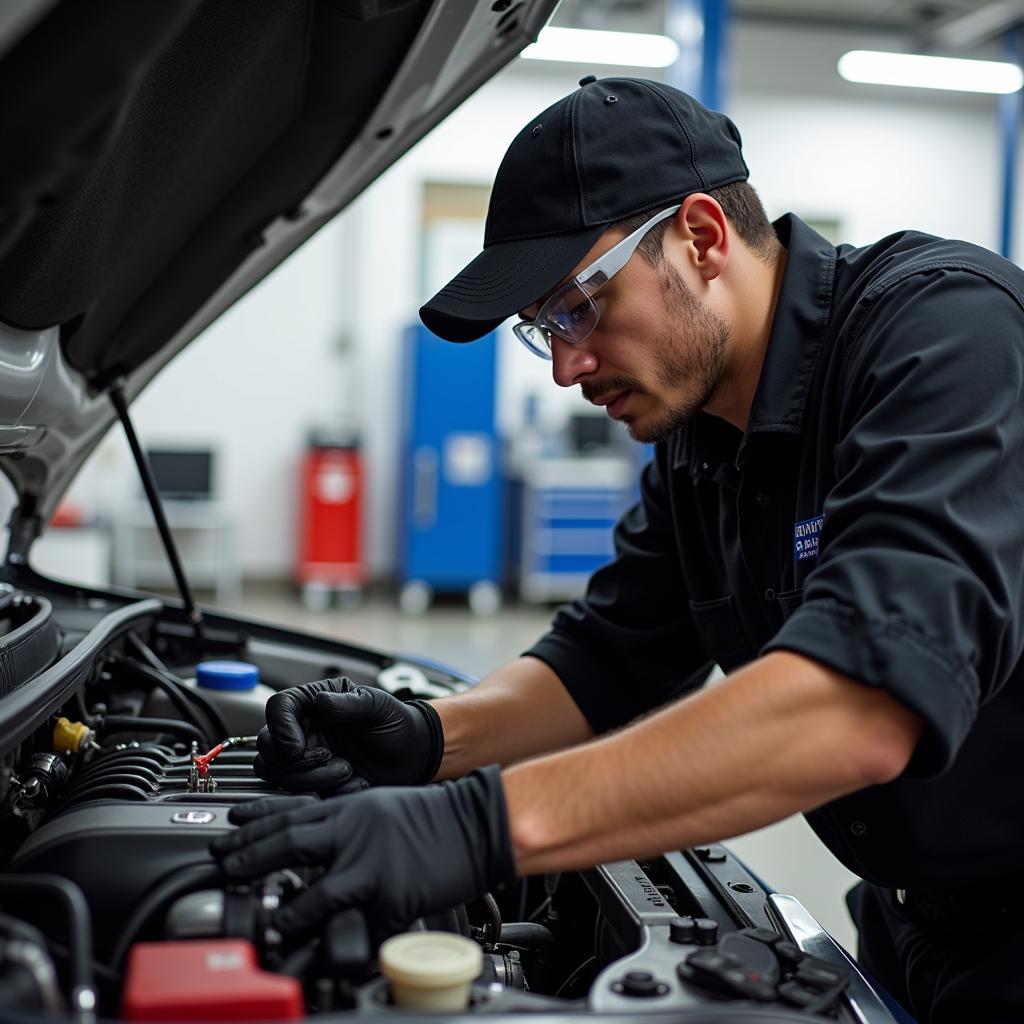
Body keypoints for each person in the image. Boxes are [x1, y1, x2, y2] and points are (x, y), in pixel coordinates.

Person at [211, 77, 1024, 1023]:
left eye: (580, 309)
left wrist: (481, 827)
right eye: (543, 330)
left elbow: (862, 703)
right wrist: (435, 737)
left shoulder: (948, 340)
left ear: (704, 236)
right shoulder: (701, 437)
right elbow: (608, 656)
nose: (565, 367)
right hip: (910, 919)